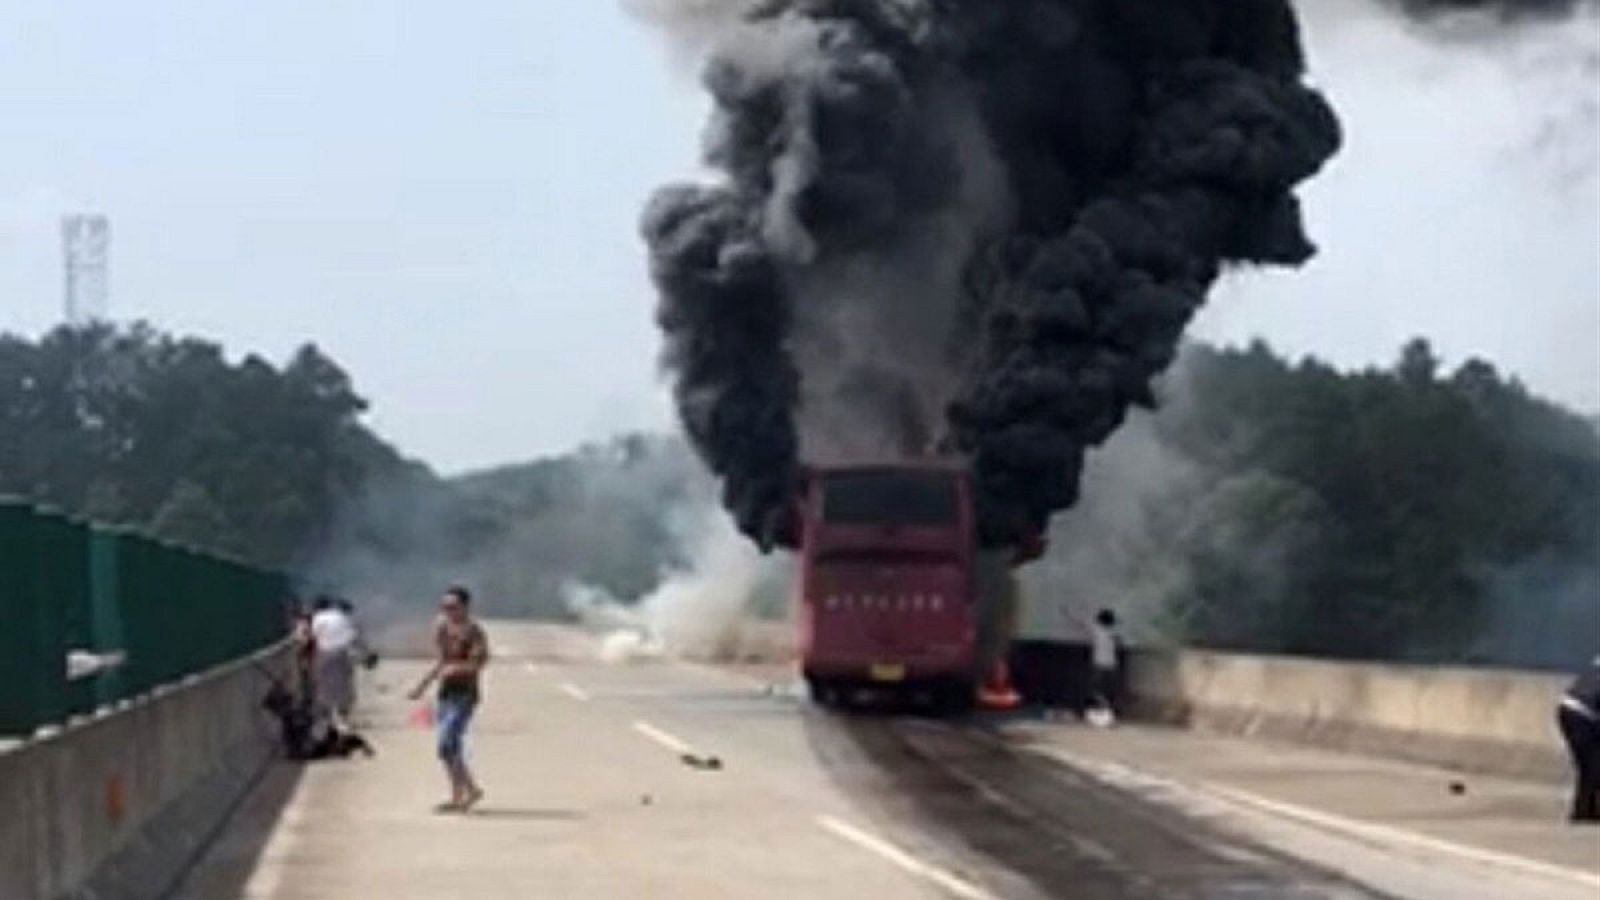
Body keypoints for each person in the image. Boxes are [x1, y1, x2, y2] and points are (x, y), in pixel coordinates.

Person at [408, 585, 490, 813]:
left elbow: (478, 663)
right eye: (445, 607)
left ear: (465, 607)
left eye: (453, 607)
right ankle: (464, 792)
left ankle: (465, 792)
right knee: (447, 748)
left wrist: (457, 669)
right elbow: (441, 661)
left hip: (465, 694)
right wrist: (421, 686)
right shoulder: (442, 628)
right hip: (445, 693)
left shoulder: (474, 632)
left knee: (448, 740)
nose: (448, 611)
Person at [1558, 655, 1600, 823]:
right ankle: (1582, 811)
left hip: (1568, 710)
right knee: (1593, 765)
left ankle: (1584, 810)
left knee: (1588, 766)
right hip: (1581, 715)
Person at [310, 595, 358, 730]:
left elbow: (314, 636)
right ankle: (342, 720)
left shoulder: (318, 618)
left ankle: (328, 719)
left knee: (325, 686)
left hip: (325, 654)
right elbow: (353, 637)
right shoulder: (342, 617)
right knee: (344, 686)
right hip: (343, 654)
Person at [1087, 608, 1122, 723]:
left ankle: (1103, 708)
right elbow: (1118, 645)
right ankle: (1108, 709)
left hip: (1099, 664)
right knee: (1108, 689)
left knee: (1097, 689)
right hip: (1111, 664)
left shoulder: (1097, 630)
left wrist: (1067, 614)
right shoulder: (1114, 633)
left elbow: (1079, 624)